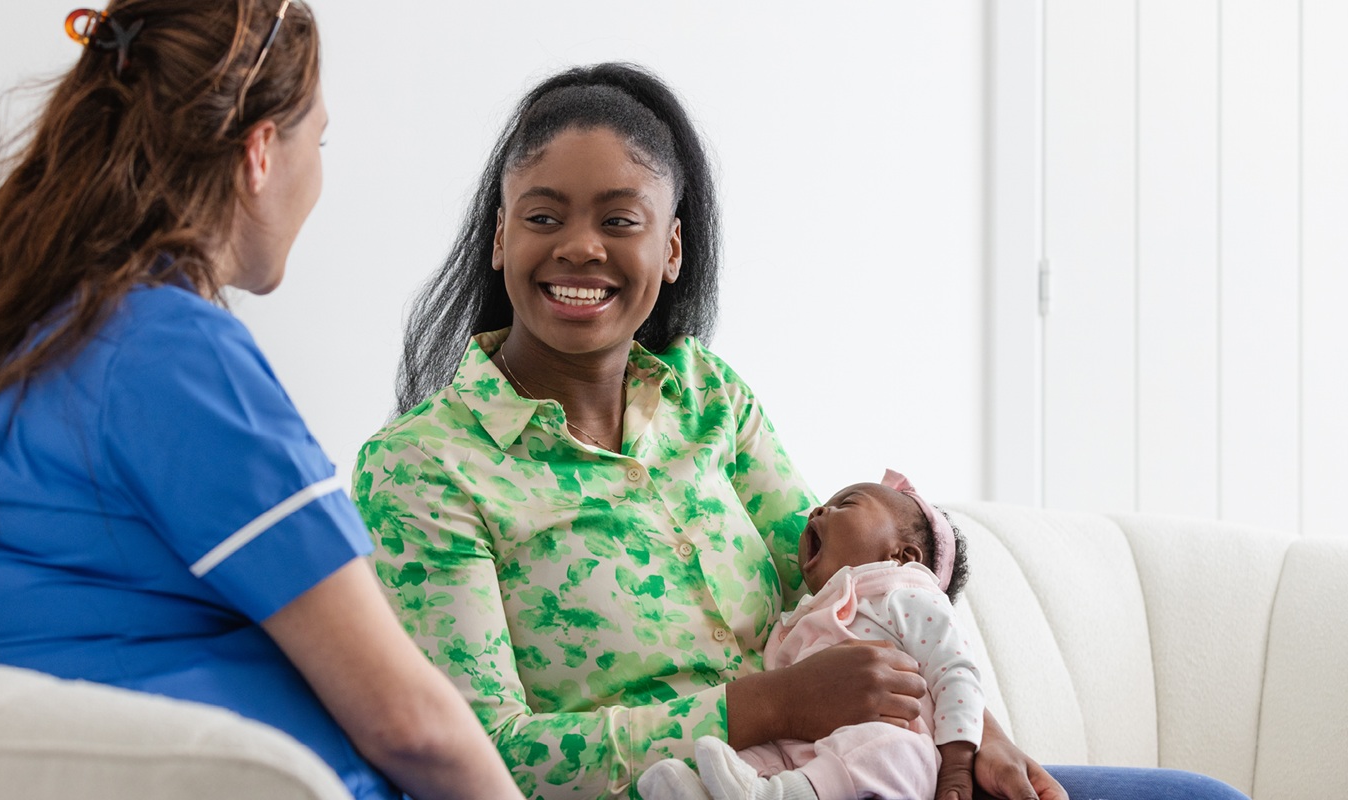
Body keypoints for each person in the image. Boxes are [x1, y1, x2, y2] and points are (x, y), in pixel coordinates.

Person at [353, 61, 1249, 800]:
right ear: (500, 238)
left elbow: (843, 584)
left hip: (860, 771)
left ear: (671, 249)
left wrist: (973, 732)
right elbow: (483, 758)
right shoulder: (422, 469)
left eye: (619, 220)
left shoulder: (710, 399)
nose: (580, 247)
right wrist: (769, 706)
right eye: (543, 216)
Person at [0, 3, 523, 799]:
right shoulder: (169, 352)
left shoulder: (30, 337)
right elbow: (410, 723)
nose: (319, 173)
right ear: (260, 152)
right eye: (319, 140)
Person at [640, 470, 979, 800]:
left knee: (893, 750)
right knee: (757, 752)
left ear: (902, 556)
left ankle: (777, 794)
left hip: (893, 753)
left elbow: (957, 672)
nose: (818, 510)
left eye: (847, 504)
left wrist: (957, 763)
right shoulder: (803, 616)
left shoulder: (908, 594)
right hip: (807, 747)